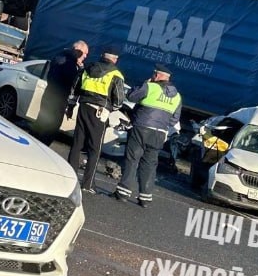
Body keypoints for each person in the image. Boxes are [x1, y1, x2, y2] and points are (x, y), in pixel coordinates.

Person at [115, 64, 182, 206]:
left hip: (142, 127)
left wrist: (144, 84)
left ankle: (123, 192)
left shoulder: (150, 87)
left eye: (153, 74)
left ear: (157, 75)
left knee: (132, 159)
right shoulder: (177, 96)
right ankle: (145, 197)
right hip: (160, 132)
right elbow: (175, 119)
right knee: (150, 164)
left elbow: (131, 96)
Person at [67, 46, 125, 195]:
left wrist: (71, 106)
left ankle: (69, 177)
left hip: (84, 106)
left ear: (102, 55)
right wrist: (112, 109)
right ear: (115, 59)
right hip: (100, 111)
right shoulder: (116, 74)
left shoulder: (88, 68)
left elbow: (75, 88)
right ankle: (87, 184)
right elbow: (118, 100)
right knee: (95, 148)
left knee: (77, 143)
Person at [32, 40, 89, 145]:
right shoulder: (69, 63)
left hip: (49, 94)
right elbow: (71, 82)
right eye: (84, 53)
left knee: (42, 121)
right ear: (77, 51)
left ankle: (34, 144)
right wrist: (79, 70)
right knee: (52, 127)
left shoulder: (59, 56)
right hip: (58, 98)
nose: (85, 56)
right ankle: (41, 148)